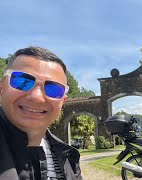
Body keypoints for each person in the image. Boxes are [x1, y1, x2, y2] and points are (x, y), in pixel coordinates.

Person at [0, 47, 82, 179]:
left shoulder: (69, 158)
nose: (37, 97)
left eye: (53, 89)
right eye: (22, 81)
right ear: (1, 88)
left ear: (62, 102)